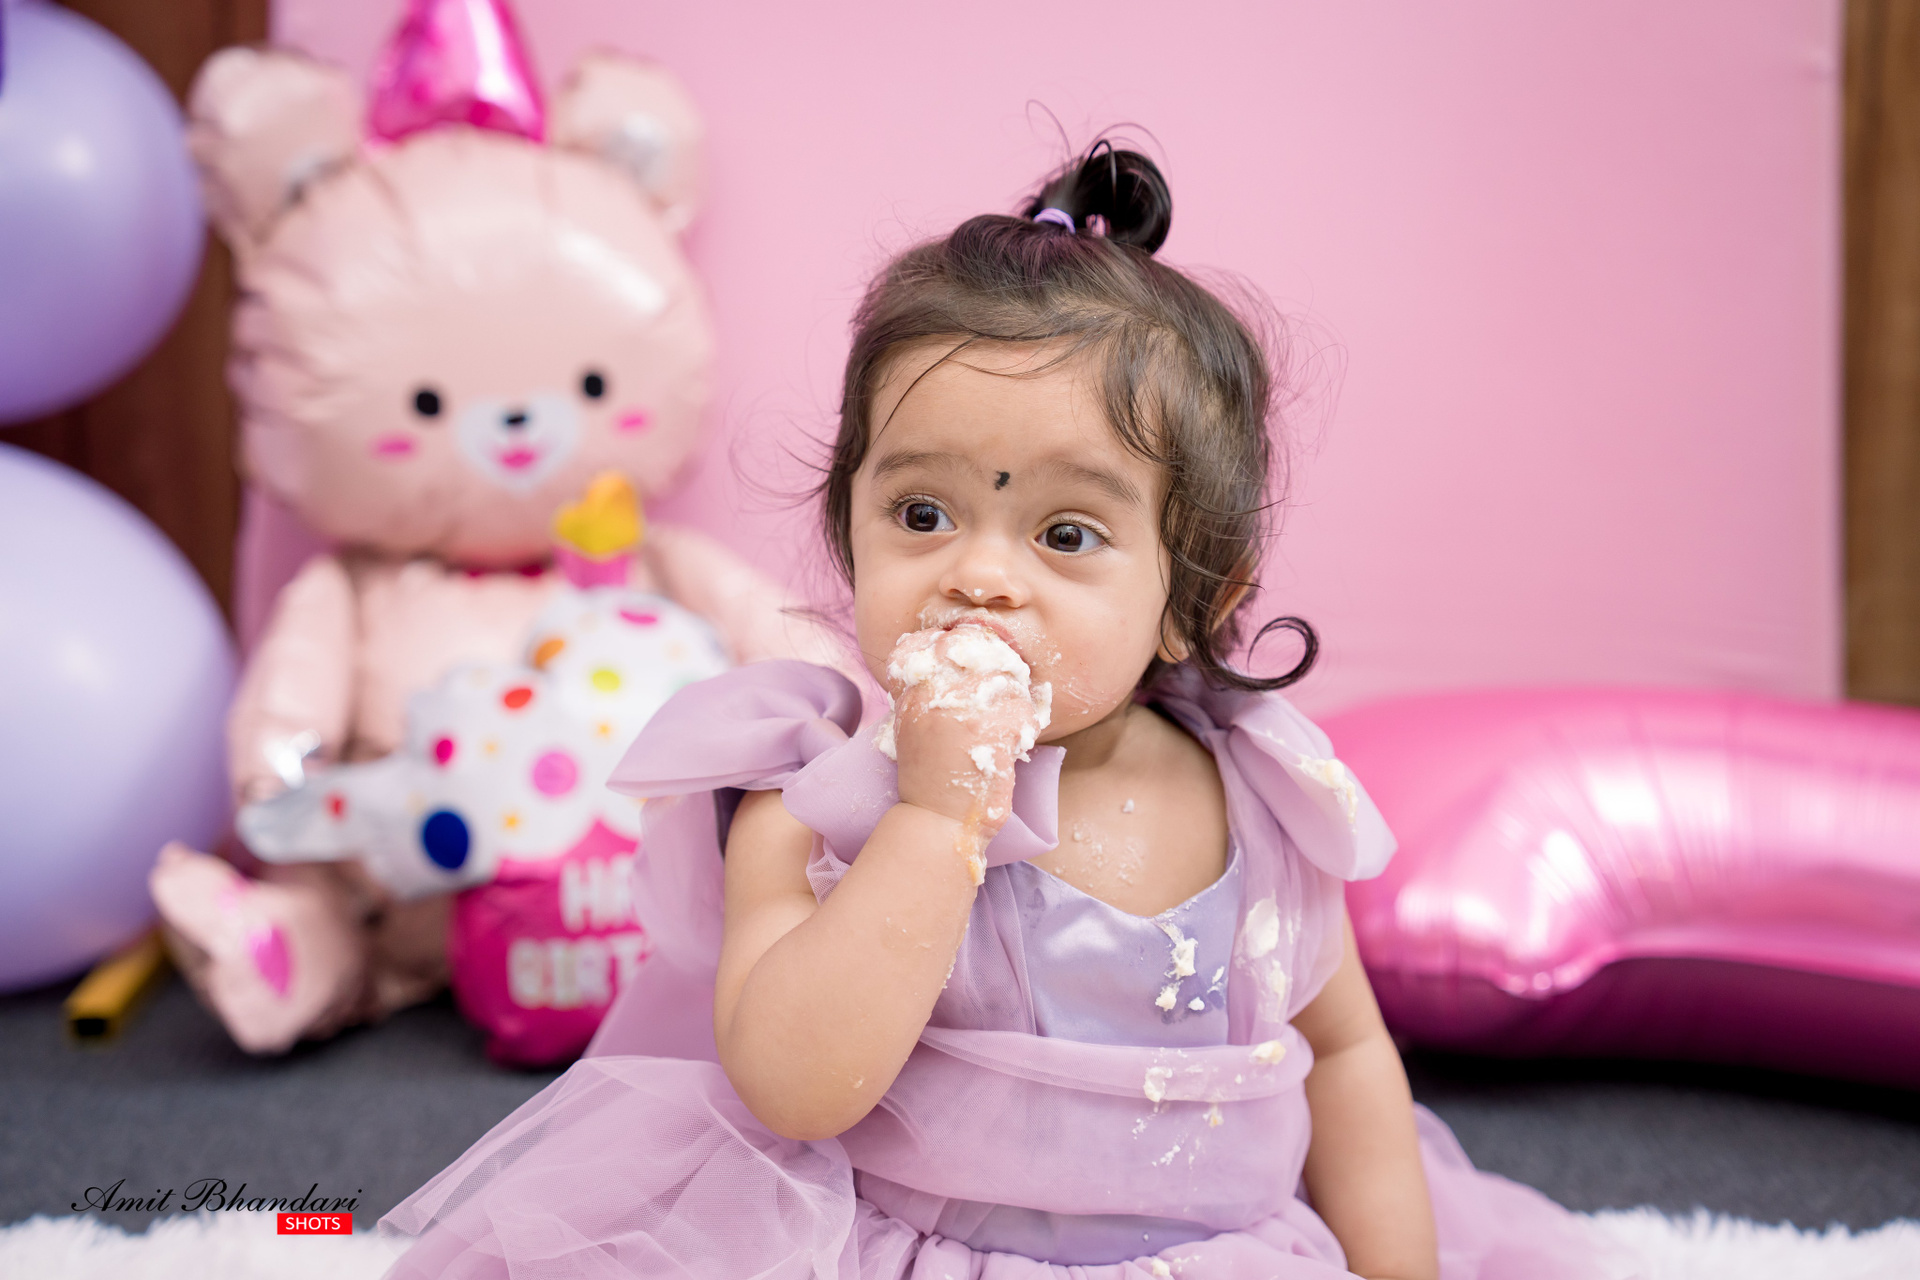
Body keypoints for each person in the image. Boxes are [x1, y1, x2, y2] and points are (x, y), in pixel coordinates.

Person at [383, 145, 1640, 1280]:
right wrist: (936, 821)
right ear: (849, 533)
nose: (979, 573)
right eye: (922, 513)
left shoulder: (1263, 798)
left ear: (1190, 600)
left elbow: (1349, 1057)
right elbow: (793, 1085)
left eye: (1066, 532)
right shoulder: (814, 797)